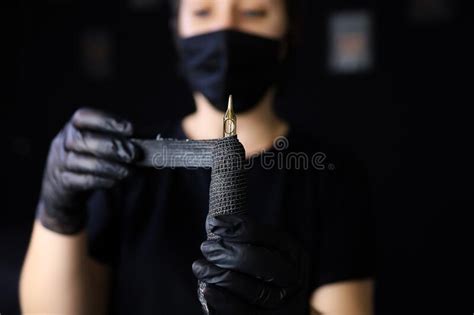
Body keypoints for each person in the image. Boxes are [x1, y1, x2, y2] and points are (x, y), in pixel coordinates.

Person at [20, 0, 375, 314]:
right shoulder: (121, 168)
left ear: (288, 32)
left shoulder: (332, 175)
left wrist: (289, 310)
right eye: (203, 11)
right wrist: (57, 212)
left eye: (253, 11)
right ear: (178, 31)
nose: (225, 30)